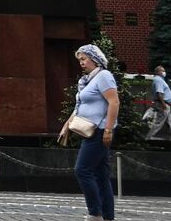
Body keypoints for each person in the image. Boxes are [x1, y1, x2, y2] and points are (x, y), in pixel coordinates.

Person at [67, 43, 119, 221]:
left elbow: (114, 102)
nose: (81, 62)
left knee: (82, 170)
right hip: (89, 130)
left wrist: (108, 129)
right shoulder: (87, 80)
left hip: (99, 130)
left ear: (94, 58)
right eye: (79, 59)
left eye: (84, 58)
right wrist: (68, 123)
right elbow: (81, 104)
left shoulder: (103, 76)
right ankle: (107, 216)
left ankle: (95, 212)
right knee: (101, 175)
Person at [146, 64, 171, 147]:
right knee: (159, 122)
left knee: (170, 124)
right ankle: (148, 138)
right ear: (158, 72)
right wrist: (164, 104)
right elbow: (159, 93)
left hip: (165, 104)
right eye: (162, 71)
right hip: (163, 104)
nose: (164, 72)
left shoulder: (161, 80)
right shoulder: (158, 80)